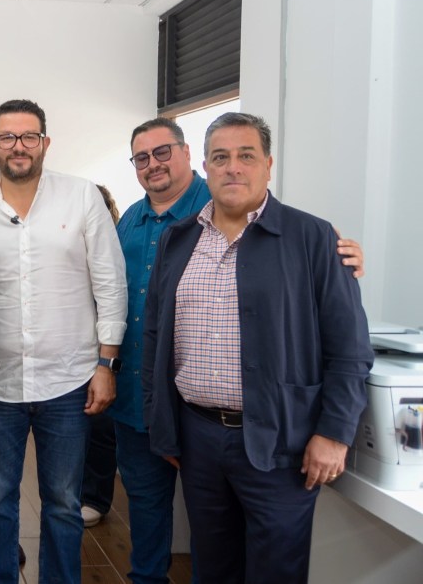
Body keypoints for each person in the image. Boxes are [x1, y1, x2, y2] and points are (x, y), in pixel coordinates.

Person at [112, 117, 365, 584]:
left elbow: (349, 349)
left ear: (268, 164)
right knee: (212, 565)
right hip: (199, 436)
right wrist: (163, 423)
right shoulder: (179, 239)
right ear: (207, 166)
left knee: (275, 568)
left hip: (281, 438)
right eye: (222, 157)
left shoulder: (312, 238)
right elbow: (155, 339)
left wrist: (334, 433)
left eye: (246, 155)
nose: (233, 167)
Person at [0, 100, 127, 584]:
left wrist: (106, 364)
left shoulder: (82, 196)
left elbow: (110, 282)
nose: (19, 146)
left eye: (29, 136)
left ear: (45, 143)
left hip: (69, 380)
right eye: (7, 137)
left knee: (64, 503)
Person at [80, 184, 123, 530]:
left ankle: (95, 497)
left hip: (107, 352)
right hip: (72, 352)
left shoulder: (117, 244)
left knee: (100, 426)